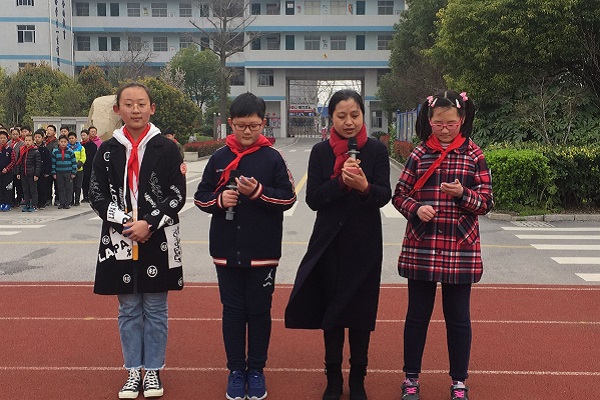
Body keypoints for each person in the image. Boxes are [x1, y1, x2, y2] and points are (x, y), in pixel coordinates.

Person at [285, 90, 391, 400]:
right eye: (341, 116)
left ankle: (358, 380)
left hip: (364, 244)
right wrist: (341, 183)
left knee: (361, 313)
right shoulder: (321, 152)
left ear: (363, 115)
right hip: (328, 242)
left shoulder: (375, 150)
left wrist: (365, 187)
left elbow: (384, 195)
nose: (348, 122)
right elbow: (313, 199)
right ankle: (333, 378)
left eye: (354, 115)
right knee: (331, 313)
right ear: (331, 117)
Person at [392, 91, 493, 400]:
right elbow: (399, 194)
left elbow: (486, 202)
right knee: (417, 317)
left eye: (451, 123)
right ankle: (411, 378)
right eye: (438, 123)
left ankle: (459, 382)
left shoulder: (474, 155)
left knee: (458, 318)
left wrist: (463, 194)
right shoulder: (419, 153)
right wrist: (415, 209)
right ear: (430, 121)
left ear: (461, 120)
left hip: (459, 247)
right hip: (422, 243)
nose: (445, 129)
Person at [194, 92, 296, 400]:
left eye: (253, 125)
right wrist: (219, 200)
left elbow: (289, 198)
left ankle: (257, 370)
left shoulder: (273, 158)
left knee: (260, 311)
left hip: (263, 252)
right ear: (230, 124)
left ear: (264, 123)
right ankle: (236, 371)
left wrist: (259, 193)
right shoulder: (219, 158)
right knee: (233, 312)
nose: (247, 131)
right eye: (240, 126)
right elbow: (200, 196)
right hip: (226, 250)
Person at [90, 82, 185, 399]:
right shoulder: (107, 150)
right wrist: (125, 223)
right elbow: (96, 195)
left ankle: (153, 369)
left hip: (157, 237)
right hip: (120, 237)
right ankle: (133, 370)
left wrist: (149, 223)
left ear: (152, 108)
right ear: (117, 109)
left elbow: (177, 195)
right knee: (129, 309)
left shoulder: (167, 148)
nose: (135, 109)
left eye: (141, 104)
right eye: (128, 104)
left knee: (156, 308)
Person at [16, 132, 41, 212]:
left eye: (29, 140)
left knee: (33, 190)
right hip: (23, 173)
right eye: (26, 140)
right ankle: (27, 204)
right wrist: (18, 172)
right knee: (25, 190)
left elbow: (38, 164)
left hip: (32, 174)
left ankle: (34, 205)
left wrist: (36, 174)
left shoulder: (35, 151)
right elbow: (19, 162)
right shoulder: (22, 150)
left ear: (33, 141)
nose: (27, 142)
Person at [51, 135, 77, 209]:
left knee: (68, 188)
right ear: (59, 142)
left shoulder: (70, 151)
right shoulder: (55, 151)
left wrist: (73, 172)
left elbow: (74, 162)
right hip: (59, 173)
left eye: (65, 142)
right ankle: (62, 203)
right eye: (61, 142)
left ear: (67, 142)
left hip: (68, 172)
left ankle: (68, 203)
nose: (63, 143)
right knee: (60, 188)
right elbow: (53, 163)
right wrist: (53, 172)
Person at [33, 129, 52, 210]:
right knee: (35, 188)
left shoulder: (45, 149)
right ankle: (35, 202)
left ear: (42, 138)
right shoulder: (32, 148)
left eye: (39, 137)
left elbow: (48, 161)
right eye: (36, 137)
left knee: (42, 188)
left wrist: (47, 171)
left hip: (43, 172)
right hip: (33, 171)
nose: (37, 139)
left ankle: (42, 202)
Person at [67, 131, 86, 205]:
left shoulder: (81, 147)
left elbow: (83, 157)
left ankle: (77, 200)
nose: (71, 140)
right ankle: (70, 200)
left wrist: (79, 164)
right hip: (70, 170)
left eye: (72, 138)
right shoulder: (67, 148)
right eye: (70, 138)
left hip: (79, 169)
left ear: (76, 138)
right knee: (70, 186)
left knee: (78, 186)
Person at [0, 129, 17, 211]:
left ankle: (8, 203)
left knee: (8, 188)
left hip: (8, 173)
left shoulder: (10, 149)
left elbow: (13, 161)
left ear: (7, 139)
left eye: (4, 138)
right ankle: (1, 203)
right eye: (1, 138)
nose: (2, 140)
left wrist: (7, 169)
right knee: (1, 189)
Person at [80, 128, 97, 202]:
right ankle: (85, 196)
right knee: (83, 182)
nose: (83, 137)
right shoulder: (80, 145)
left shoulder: (92, 145)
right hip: (82, 166)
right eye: (82, 135)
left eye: (84, 135)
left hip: (90, 166)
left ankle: (90, 196)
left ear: (88, 135)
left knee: (90, 182)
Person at [9, 127, 24, 207]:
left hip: (18, 167)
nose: (15, 135)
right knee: (11, 185)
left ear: (19, 134)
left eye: (16, 134)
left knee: (18, 185)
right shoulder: (9, 143)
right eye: (13, 134)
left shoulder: (22, 144)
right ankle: (11, 200)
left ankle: (19, 200)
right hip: (10, 167)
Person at [45, 124, 59, 206]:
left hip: (55, 165)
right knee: (47, 184)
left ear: (54, 132)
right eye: (47, 130)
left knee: (57, 184)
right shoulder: (44, 142)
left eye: (51, 130)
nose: (48, 131)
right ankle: (48, 199)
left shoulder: (57, 142)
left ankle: (57, 199)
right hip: (47, 165)